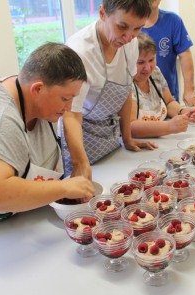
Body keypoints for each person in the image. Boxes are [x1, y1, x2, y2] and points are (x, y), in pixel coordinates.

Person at [61, 0, 158, 180]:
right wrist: (79, 164)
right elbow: (71, 115)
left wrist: (127, 137)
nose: (129, 37)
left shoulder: (130, 43)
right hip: (81, 140)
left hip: (110, 139)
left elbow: (125, 90)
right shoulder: (80, 51)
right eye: (122, 26)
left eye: (138, 29)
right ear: (103, 13)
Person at [0, 43, 95, 221]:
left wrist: (80, 161)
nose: (69, 108)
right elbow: (1, 194)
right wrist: (65, 188)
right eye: (65, 99)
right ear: (37, 89)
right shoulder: (4, 118)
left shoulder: (37, 97)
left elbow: (68, 117)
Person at [131, 33, 195, 138]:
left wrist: (182, 112)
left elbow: (168, 102)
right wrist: (168, 127)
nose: (148, 68)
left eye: (151, 60)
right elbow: (131, 126)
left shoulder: (156, 73)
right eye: (140, 62)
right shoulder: (126, 84)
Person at [141, 0, 195, 106]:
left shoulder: (173, 20)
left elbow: (185, 55)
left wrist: (189, 89)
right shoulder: (130, 23)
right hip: (140, 100)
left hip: (168, 98)